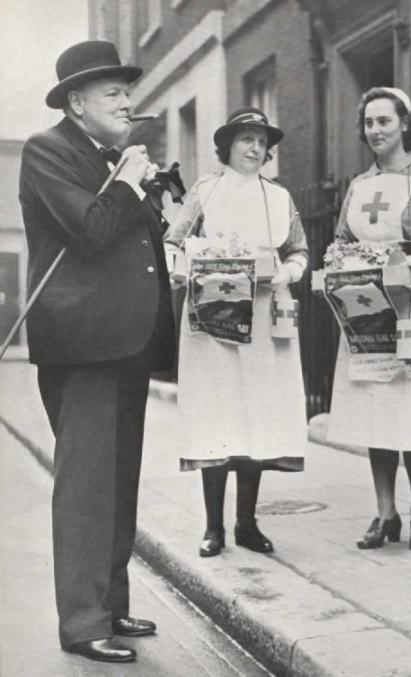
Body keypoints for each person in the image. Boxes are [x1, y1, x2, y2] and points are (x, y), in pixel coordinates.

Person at [19, 41, 175, 663]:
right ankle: (83, 623)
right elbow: (90, 230)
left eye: (126, 91)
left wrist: (155, 201)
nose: (127, 100)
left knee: (118, 481)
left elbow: (138, 240)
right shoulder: (47, 151)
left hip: (128, 343)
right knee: (85, 485)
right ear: (78, 103)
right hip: (82, 346)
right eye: (113, 92)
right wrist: (131, 183)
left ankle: (110, 604)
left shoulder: (114, 157)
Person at [166, 107, 309, 557]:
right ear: (227, 145)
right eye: (246, 138)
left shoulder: (278, 197)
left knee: (255, 418)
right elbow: (173, 244)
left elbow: (300, 251)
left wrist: (288, 272)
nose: (255, 148)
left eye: (262, 141)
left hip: (265, 318)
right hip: (214, 319)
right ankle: (214, 528)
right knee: (217, 415)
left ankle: (246, 523)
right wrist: (181, 270)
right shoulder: (206, 191)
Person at [327, 87, 411, 551]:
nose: (376, 131)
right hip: (368, 307)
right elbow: (341, 240)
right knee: (377, 407)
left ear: (405, 123)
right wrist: (342, 265)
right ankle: (385, 514)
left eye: (384, 121)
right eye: (368, 123)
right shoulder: (358, 186)